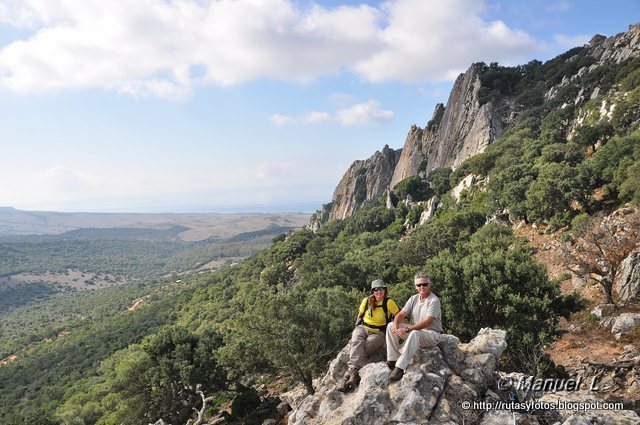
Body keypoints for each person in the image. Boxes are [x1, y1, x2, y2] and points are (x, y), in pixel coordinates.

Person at [337, 279, 400, 392]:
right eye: (376, 290)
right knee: (356, 342)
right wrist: (357, 326)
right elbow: (360, 315)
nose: (379, 292)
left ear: (385, 290)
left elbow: (399, 316)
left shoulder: (389, 302)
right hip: (363, 328)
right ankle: (353, 374)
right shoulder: (366, 301)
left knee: (364, 348)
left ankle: (348, 376)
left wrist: (398, 328)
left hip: (378, 332)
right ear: (372, 291)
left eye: (381, 289)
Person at [386, 272, 443, 381]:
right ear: (415, 287)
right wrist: (395, 324)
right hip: (416, 332)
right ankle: (392, 359)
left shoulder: (434, 300)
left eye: (424, 284)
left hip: (432, 334)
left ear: (430, 284)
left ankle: (399, 367)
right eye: (419, 285)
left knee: (415, 333)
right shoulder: (413, 299)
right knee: (389, 326)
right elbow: (401, 314)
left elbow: (427, 322)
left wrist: (407, 329)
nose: (422, 287)